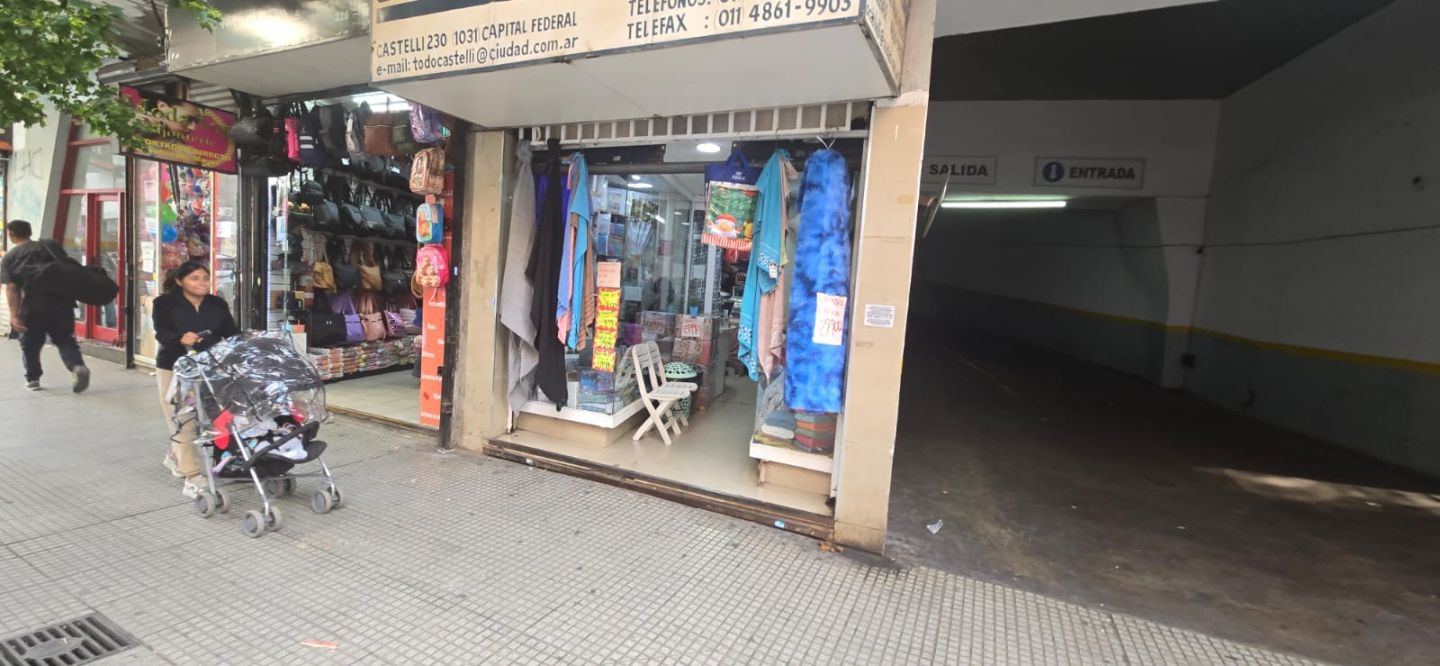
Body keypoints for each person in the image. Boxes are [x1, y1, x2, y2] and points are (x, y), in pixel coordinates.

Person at [152, 261, 239, 498]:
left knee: (219, 417)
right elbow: (161, 333)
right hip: (176, 369)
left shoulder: (216, 303)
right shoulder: (164, 303)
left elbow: (232, 333)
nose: (202, 283)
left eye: (205, 278)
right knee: (184, 420)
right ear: (179, 281)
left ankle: (178, 457)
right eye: (194, 278)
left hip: (211, 368)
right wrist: (180, 338)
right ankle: (192, 476)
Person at [0, 220, 90, 393]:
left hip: (32, 307)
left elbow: (12, 288)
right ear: (29, 232)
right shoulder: (49, 248)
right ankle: (77, 366)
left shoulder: (11, 257)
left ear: (11, 234)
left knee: (30, 343)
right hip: (62, 303)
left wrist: (14, 315)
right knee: (64, 339)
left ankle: (33, 379)